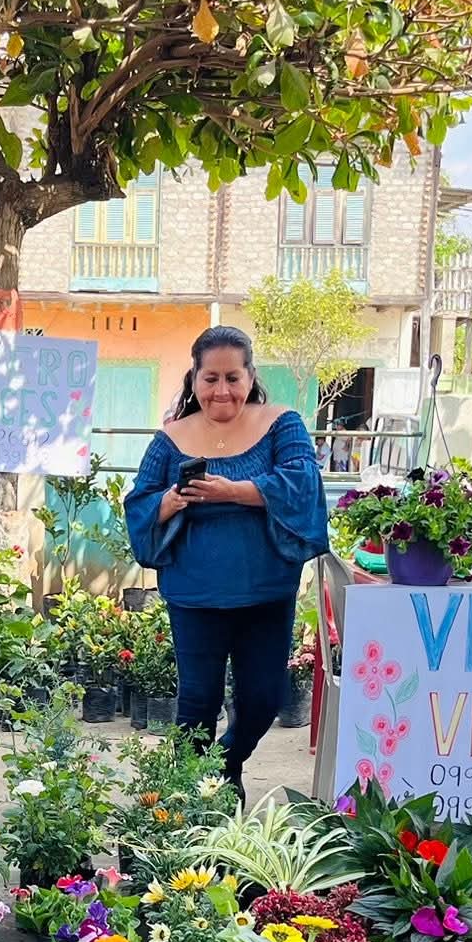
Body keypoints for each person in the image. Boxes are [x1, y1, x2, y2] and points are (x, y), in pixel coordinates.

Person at [125, 327, 329, 795]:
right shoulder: (170, 439)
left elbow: (303, 485)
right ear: (194, 378)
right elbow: (139, 503)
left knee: (264, 699)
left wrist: (233, 491)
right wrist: (171, 501)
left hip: (266, 594)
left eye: (233, 378)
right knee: (197, 704)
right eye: (211, 378)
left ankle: (226, 765)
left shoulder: (282, 424)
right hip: (194, 596)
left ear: (250, 376)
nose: (222, 390)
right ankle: (193, 798)